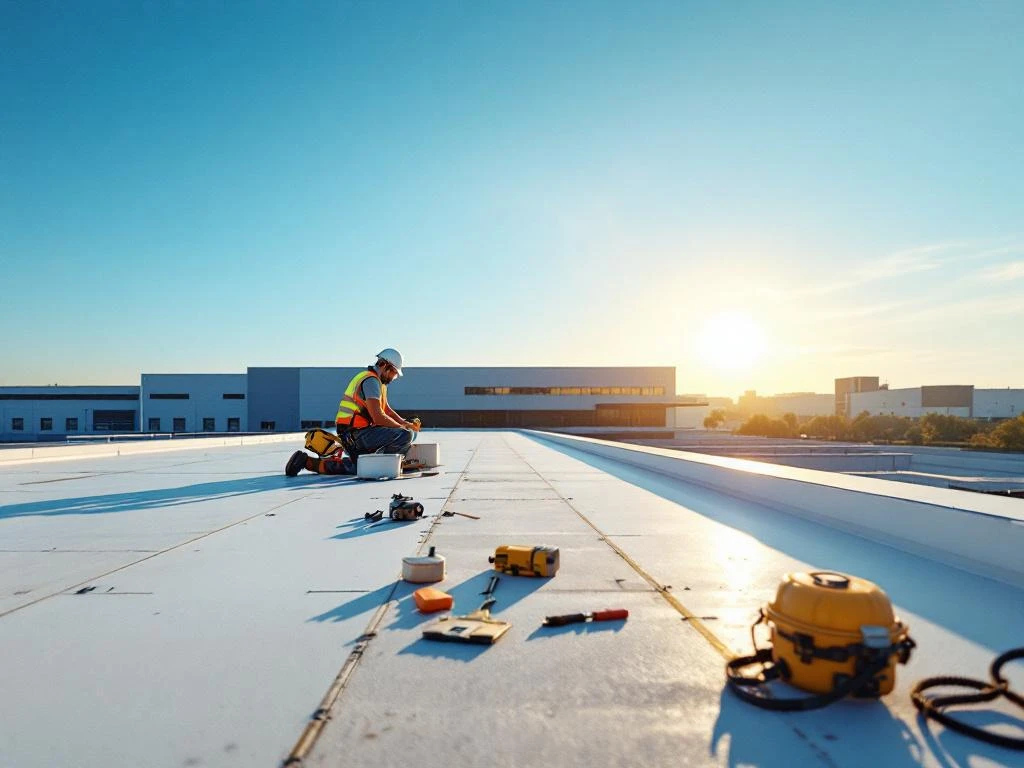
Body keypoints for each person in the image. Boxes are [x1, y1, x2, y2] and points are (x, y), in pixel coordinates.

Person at [285, 348, 421, 476]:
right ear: (384, 366)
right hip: (355, 434)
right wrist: (403, 428)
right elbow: (379, 417)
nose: (393, 378)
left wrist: (405, 423)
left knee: (359, 467)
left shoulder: (377, 382)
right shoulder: (371, 381)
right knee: (405, 436)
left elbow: (387, 410)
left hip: (356, 432)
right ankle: (384, 465)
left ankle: (308, 462)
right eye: (393, 373)